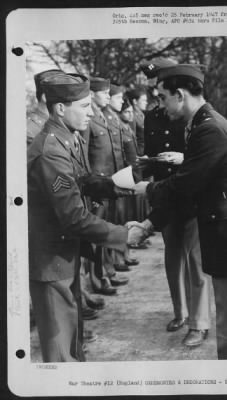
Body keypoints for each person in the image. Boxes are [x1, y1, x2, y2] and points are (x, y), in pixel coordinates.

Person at [133, 63, 227, 359]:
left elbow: (185, 186)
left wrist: (148, 191)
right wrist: (151, 222)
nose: (160, 105)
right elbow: (195, 179)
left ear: (180, 94)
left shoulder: (208, 128)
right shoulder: (203, 123)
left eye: (163, 97)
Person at [28, 71, 145, 362]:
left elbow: (82, 179)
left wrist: (118, 186)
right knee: (60, 354)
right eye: (84, 106)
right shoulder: (50, 151)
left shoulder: (68, 138)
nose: (91, 112)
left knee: (72, 342)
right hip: (51, 259)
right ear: (60, 108)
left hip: (64, 253)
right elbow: (74, 217)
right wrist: (122, 235)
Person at [138, 58, 212, 347]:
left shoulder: (190, 112)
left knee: (196, 261)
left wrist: (183, 159)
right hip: (167, 196)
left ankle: (200, 323)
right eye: (148, 80)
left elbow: (200, 155)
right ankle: (180, 312)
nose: (150, 84)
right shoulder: (153, 116)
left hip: (191, 195)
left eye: (155, 79)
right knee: (173, 258)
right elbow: (152, 153)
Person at [83, 76, 129, 296]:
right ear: (92, 94)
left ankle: (106, 272)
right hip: (96, 187)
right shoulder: (88, 119)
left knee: (106, 230)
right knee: (96, 235)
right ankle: (96, 280)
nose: (108, 97)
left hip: (108, 183)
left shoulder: (103, 116)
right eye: (105, 93)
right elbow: (83, 157)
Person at [103, 83, 139, 270]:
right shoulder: (106, 119)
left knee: (120, 219)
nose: (121, 101)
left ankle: (119, 257)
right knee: (110, 222)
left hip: (120, 176)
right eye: (117, 98)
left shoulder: (115, 120)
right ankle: (109, 265)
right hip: (108, 179)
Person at [27, 69, 64, 146]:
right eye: (62, 95)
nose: (67, 100)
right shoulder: (30, 131)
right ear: (45, 97)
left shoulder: (60, 124)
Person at [127, 86, 148, 156]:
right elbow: (132, 139)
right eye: (143, 100)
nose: (146, 103)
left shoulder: (142, 115)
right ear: (135, 101)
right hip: (139, 153)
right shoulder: (132, 116)